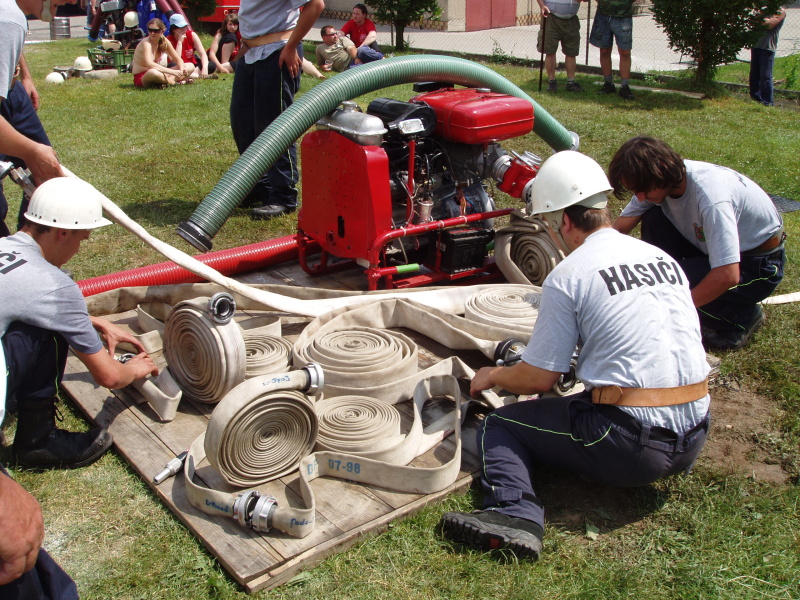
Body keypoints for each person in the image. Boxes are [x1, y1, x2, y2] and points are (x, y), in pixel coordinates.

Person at [439, 150, 711, 560]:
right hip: (694, 433)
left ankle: (514, 514)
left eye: (549, 224)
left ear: (564, 221)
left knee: (502, 425)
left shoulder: (570, 275)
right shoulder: (660, 258)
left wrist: (492, 376)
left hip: (633, 448)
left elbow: (538, 379)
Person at [0, 177, 157, 596]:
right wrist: (137, 368)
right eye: (81, 240)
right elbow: (109, 376)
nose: (79, 249)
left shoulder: (5, 247)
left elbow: (21, 296)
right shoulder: (54, 285)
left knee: (36, 327)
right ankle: (39, 440)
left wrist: (90, 320)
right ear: (61, 233)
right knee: (45, 332)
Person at [609, 136, 785, 350]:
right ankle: (676, 283)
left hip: (757, 266)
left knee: (668, 287)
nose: (639, 197)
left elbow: (728, 275)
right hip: (712, 250)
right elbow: (617, 230)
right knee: (654, 219)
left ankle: (741, 317)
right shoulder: (659, 182)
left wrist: (676, 310)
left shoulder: (712, 199)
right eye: (635, 190)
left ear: (661, 169)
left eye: (642, 190)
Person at [231, 0, 324, 220]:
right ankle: (259, 186)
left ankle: (283, 195)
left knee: (274, 126)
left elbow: (315, 4)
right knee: (243, 123)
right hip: (251, 53)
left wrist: (291, 46)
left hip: (277, 51)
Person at [0, 0, 76, 238]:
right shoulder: (8, 18)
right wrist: (31, 151)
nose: (74, 1)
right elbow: (7, 27)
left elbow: (7, 41)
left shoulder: (12, 15)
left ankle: (30, 245)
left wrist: (25, 76)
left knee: (46, 177)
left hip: (11, 91)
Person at [589, 0, 635, 99]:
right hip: (603, 15)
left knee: (625, 52)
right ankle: (608, 84)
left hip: (623, 15)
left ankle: (624, 87)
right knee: (604, 50)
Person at [537, 0, 587, 92]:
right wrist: (542, 6)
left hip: (571, 19)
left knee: (571, 52)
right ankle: (552, 82)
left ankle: (571, 83)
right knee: (550, 51)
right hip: (551, 17)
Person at [131, 18, 190, 88]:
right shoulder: (146, 43)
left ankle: (165, 82)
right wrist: (173, 72)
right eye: (150, 30)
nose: (152, 33)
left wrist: (182, 70)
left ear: (162, 31)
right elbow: (149, 64)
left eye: (156, 31)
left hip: (160, 73)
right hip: (143, 76)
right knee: (153, 72)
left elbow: (178, 59)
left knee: (190, 66)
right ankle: (174, 82)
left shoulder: (164, 40)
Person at [750, 6, 786, 107]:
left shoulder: (780, 11)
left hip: (768, 48)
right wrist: (763, 20)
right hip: (756, 45)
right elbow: (752, 22)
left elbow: (770, 25)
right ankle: (755, 99)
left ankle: (767, 102)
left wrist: (760, 21)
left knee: (765, 76)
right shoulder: (762, 9)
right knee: (754, 75)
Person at [166, 13, 215, 79]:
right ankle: (198, 76)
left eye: (185, 26)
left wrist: (205, 68)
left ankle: (189, 75)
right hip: (178, 66)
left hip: (192, 65)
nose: (184, 29)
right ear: (173, 29)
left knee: (211, 65)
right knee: (173, 66)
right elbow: (175, 60)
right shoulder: (168, 40)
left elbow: (202, 54)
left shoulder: (192, 35)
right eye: (180, 27)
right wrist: (179, 42)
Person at [316, 24, 381, 72]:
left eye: (335, 33)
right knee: (360, 70)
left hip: (356, 56)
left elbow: (351, 47)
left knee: (362, 50)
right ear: (324, 38)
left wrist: (356, 58)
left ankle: (382, 59)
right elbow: (321, 64)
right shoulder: (320, 48)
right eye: (332, 34)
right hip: (348, 67)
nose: (335, 36)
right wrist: (323, 67)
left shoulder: (341, 39)